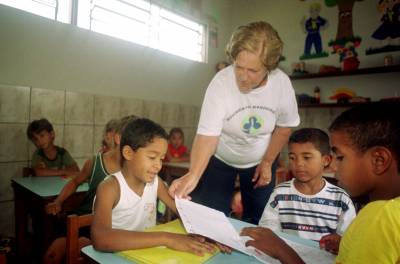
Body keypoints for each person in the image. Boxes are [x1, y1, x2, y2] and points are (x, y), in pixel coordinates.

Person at [169, 21, 300, 224]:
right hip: (221, 159)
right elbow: (207, 135)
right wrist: (193, 175)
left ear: (269, 67)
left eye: (252, 71)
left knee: (258, 220)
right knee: (211, 218)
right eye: (239, 67)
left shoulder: (281, 84)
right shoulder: (221, 83)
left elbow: (285, 126)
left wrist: (267, 162)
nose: (243, 77)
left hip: (260, 158)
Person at [240, 101, 400, 263]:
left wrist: (281, 250)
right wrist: (344, 244)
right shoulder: (386, 214)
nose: (335, 167)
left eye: (340, 157)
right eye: (293, 158)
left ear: (379, 160)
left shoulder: (380, 217)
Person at [91, 118, 216, 255]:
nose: (158, 165)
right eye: (152, 157)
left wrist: (210, 234)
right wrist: (166, 238)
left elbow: (182, 211)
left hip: (146, 255)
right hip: (115, 257)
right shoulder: (110, 188)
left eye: (161, 159)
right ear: (128, 153)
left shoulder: (155, 183)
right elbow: (100, 238)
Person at [43, 117, 135, 264]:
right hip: (81, 221)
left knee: (82, 247)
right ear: (118, 139)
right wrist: (58, 201)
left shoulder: (135, 169)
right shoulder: (95, 161)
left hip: (108, 228)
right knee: (53, 254)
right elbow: (74, 182)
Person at [258, 128, 356, 253]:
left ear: (325, 160)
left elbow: (349, 241)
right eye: (292, 158)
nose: (298, 163)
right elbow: (268, 229)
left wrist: (339, 242)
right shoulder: (280, 194)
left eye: (306, 157)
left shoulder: (341, 199)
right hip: (284, 258)